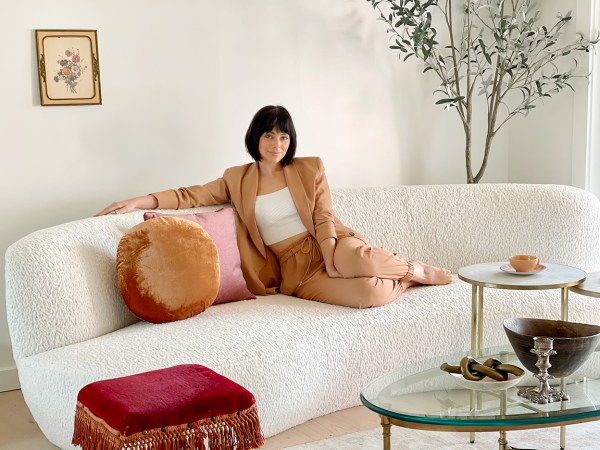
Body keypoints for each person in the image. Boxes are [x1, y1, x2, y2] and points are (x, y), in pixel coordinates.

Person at [96, 105, 452, 308]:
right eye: (269, 135)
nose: (277, 143)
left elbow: (323, 215)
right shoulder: (237, 179)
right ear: (256, 138)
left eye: (284, 136)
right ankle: (404, 280)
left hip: (328, 244)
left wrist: (329, 255)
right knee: (367, 294)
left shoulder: (309, 168)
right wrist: (141, 200)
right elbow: (191, 196)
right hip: (296, 271)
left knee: (360, 261)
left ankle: (416, 270)